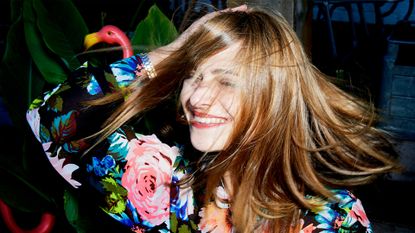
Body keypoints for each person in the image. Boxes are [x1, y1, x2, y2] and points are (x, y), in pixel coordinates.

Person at [26, 5, 401, 233]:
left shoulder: (330, 217)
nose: (198, 96)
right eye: (194, 75)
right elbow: (51, 119)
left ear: (272, 95)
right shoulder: (167, 189)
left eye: (227, 81)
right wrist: (171, 53)